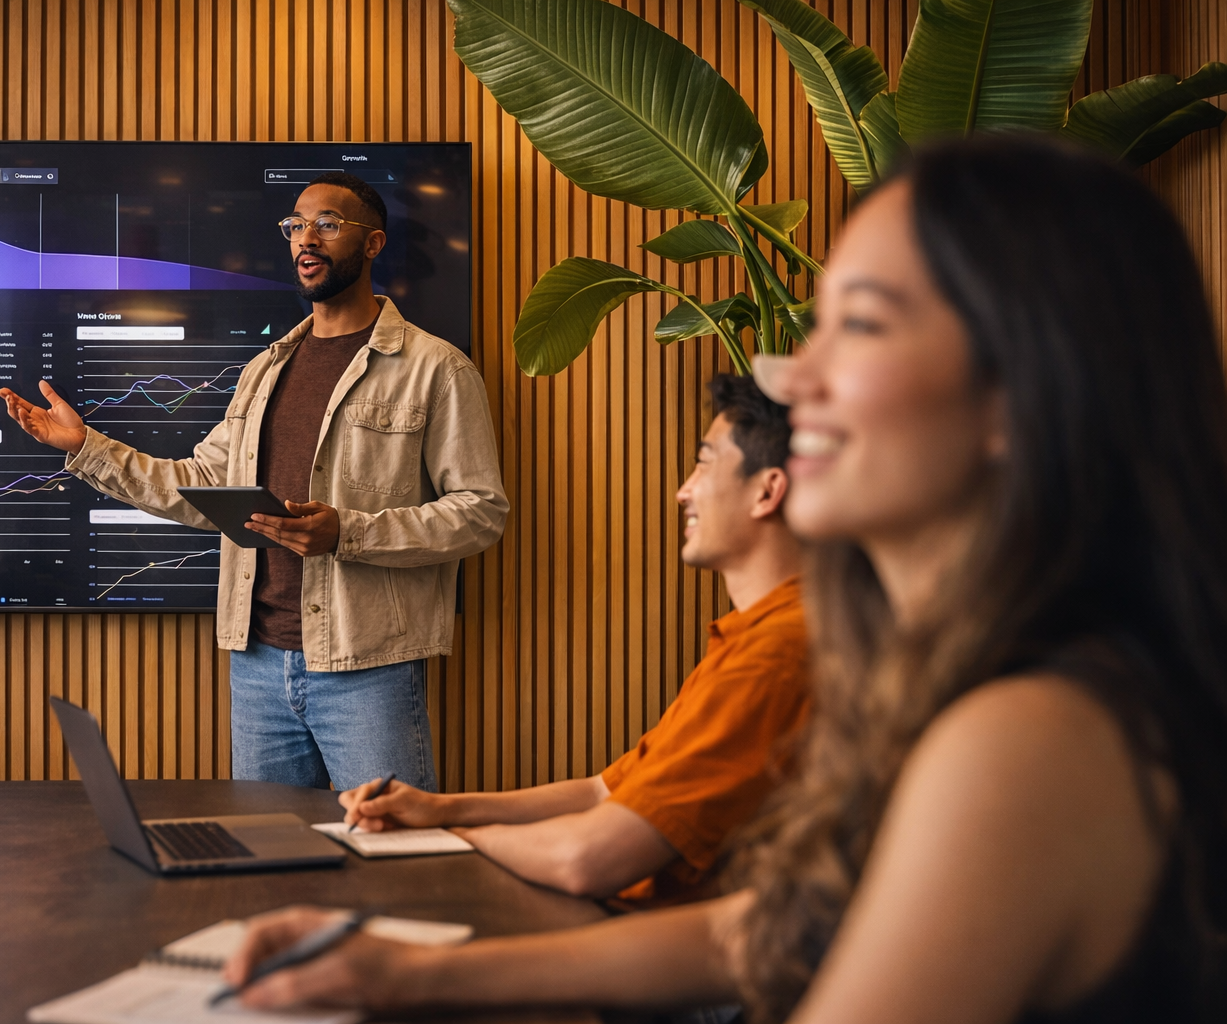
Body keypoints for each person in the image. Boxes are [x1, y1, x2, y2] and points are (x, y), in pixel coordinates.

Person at [217, 135, 1227, 1021]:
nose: (798, 376)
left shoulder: (1028, 735)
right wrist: (402, 976)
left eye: (862, 325)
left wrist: (443, 859)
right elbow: (763, 931)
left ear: (1025, 391)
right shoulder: (938, 675)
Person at [0, 172, 508, 792]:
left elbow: (480, 511)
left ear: (372, 244)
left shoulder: (436, 368)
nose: (306, 239)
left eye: (327, 223)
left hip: (367, 665)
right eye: (296, 224)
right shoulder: (263, 371)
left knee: (394, 855)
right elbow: (201, 485)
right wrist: (86, 448)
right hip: (258, 663)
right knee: (271, 853)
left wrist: (347, 532)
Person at [337, 374, 809, 904]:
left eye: (704, 462)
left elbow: (584, 860)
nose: (684, 490)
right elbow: (601, 791)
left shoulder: (778, 656)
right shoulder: (751, 637)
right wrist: (440, 809)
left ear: (767, 490)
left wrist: (441, 838)